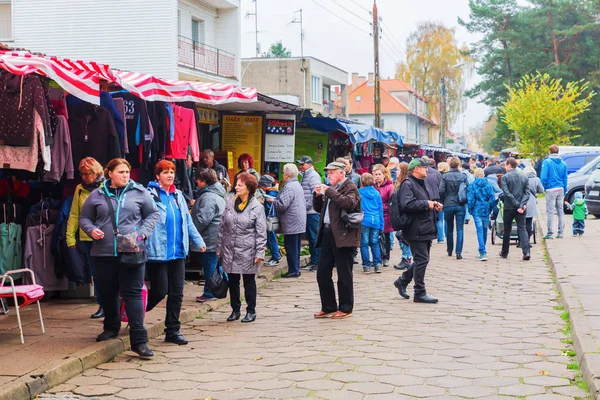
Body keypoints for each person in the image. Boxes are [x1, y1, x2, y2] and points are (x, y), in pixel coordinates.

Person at [79, 158, 160, 358]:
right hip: (103, 252)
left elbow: (153, 215)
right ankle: (111, 327)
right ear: (110, 174)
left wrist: (142, 233)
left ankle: (139, 341)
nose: (126, 175)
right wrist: (91, 230)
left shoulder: (140, 193)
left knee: (132, 294)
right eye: (121, 172)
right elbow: (84, 218)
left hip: (132, 251)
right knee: (108, 292)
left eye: (127, 171)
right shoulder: (97, 195)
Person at [145, 160, 206, 346]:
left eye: (171, 172)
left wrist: (199, 241)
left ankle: (172, 330)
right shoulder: (149, 195)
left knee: (177, 293)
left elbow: (187, 221)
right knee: (160, 290)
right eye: (165, 172)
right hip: (158, 252)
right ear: (157, 176)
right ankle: (134, 313)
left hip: (178, 252)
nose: (170, 175)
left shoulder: (178, 195)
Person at [313, 161, 361, 319]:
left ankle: (346, 307)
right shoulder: (331, 188)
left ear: (342, 173)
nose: (329, 175)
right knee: (322, 273)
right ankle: (328, 306)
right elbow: (318, 209)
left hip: (343, 235)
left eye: (332, 173)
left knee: (344, 273)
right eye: (328, 173)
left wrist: (329, 192)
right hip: (327, 233)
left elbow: (349, 204)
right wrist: (318, 196)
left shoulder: (350, 187)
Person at [217, 172, 267, 323]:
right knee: (232, 281)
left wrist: (260, 252)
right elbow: (221, 226)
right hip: (230, 248)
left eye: (240, 185)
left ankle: (251, 310)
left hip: (248, 251)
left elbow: (261, 231)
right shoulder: (229, 201)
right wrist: (219, 247)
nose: (236, 187)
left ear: (249, 188)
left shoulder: (256, 207)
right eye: (236, 184)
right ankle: (235, 310)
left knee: (248, 281)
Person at [393, 158, 442, 303]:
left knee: (421, 259)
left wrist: (434, 204)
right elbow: (407, 204)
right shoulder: (408, 184)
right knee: (422, 260)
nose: (427, 170)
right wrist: (427, 204)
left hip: (426, 227)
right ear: (416, 169)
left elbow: (423, 201)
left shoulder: (422, 183)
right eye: (424, 167)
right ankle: (419, 292)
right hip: (416, 228)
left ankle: (402, 281)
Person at [66, 157, 105, 319]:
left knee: (108, 272)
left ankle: (113, 304)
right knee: (95, 274)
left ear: (95, 172)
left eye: (86, 174)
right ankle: (102, 305)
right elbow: (75, 214)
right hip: (87, 238)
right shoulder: (80, 189)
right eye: (81, 174)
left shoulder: (106, 187)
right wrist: (70, 237)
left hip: (106, 238)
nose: (83, 177)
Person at [192, 168, 226, 303]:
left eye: (199, 180)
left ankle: (210, 292)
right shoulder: (216, 194)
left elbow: (202, 219)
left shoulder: (209, 197)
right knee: (213, 265)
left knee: (209, 266)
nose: (196, 181)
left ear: (204, 182)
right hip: (215, 236)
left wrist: (191, 231)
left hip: (210, 238)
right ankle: (215, 290)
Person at [273, 164, 307, 278]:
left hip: (291, 221)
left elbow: (282, 205)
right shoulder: (296, 184)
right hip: (298, 220)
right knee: (295, 246)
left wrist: (273, 201)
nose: (283, 174)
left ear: (287, 174)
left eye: (283, 172)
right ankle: (296, 268)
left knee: (291, 247)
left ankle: (293, 270)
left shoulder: (289, 187)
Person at [500, 158, 531, 260]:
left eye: (505, 165)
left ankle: (505, 252)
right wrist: (522, 204)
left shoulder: (505, 177)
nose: (505, 167)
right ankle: (526, 252)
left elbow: (506, 193)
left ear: (509, 165)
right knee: (522, 228)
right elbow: (527, 193)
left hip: (509, 207)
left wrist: (516, 204)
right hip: (521, 208)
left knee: (507, 229)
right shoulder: (524, 177)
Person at [439, 157, 469, 259]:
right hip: (460, 204)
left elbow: (441, 190)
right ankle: (458, 252)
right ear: (458, 165)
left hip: (448, 203)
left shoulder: (445, 176)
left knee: (449, 228)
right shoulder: (463, 176)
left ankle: (449, 249)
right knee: (460, 228)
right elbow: (467, 190)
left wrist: (443, 201)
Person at [297, 156, 322, 271]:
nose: (300, 166)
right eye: (300, 164)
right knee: (311, 237)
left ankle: (316, 262)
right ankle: (313, 261)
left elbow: (316, 194)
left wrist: (305, 206)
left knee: (314, 238)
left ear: (309, 164)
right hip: (308, 211)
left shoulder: (313, 176)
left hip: (312, 212)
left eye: (303, 164)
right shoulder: (305, 175)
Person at [467, 168, 496, 261]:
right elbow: (492, 198)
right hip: (486, 209)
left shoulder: (472, 185)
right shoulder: (488, 185)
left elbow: (470, 199)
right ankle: (483, 250)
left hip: (476, 209)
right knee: (484, 229)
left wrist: (470, 210)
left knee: (479, 230)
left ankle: (482, 251)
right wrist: (491, 208)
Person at [540, 144, 568, 239]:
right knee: (560, 211)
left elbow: (543, 177)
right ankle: (561, 232)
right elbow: (565, 178)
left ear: (550, 151)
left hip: (551, 189)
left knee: (550, 211)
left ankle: (550, 232)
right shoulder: (563, 163)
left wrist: (542, 187)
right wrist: (565, 190)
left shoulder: (547, 162)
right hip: (560, 188)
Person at [358, 173, 384, 274]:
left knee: (364, 244)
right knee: (375, 243)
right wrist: (382, 224)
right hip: (376, 220)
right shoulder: (377, 193)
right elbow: (380, 209)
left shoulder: (359, 192)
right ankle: (377, 265)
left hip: (364, 220)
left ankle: (366, 266)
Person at [393, 162, 414, 271]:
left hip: (404, 215)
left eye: (398, 170)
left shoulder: (406, 184)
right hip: (399, 214)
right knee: (400, 235)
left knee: (402, 236)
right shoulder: (398, 183)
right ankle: (406, 257)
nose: (396, 172)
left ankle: (407, 258)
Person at [372, 164, 394, 267]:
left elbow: (392, 201)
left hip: (386, 215)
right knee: (375, 237)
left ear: (384, 175)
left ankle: (386, 257)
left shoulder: (389, 186)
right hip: (374, 214)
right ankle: (378, 257)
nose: (377, 176)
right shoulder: (372, 186)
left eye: (379, 174)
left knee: (386, 237)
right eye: (375, 174)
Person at [258, 175, 281, 267]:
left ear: (264, 185)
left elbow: (268, 208)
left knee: (271, 239)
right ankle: (275, 255)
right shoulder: (275, 192)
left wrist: (262, 204)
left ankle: (276, 257)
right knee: (272, 238)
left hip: (270, 219)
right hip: (273, 219)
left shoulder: (270, 194)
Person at [524, 166, 544, 243]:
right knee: (529, 222)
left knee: (521, 223)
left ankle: (520, 241)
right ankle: (527, 242)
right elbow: (541, 190)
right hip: (531, 201)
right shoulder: (536, 179)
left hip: (522, 201)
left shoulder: (522, 178)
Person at [436, 162, 449, 244]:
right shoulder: (448, 176)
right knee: (446, 219)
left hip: (439, 199)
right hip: (448, 200)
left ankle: (441, 238)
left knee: (439, 219)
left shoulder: (437, 175)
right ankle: (448, 235)